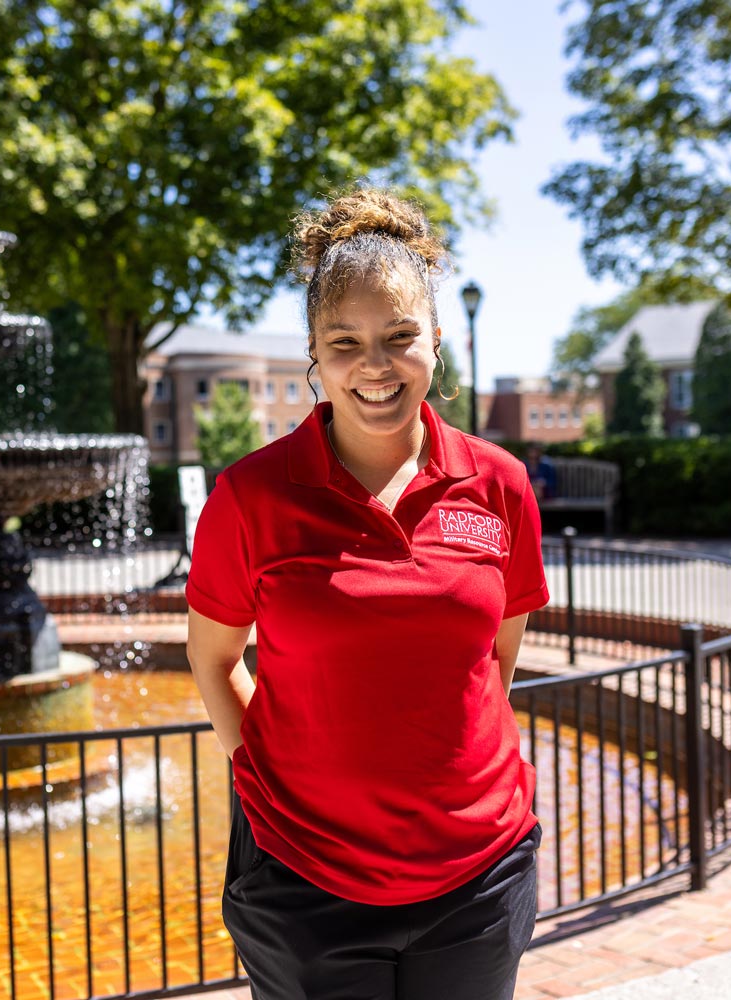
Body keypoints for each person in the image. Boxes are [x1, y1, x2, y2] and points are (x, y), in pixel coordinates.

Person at [185, 188, 548, 1000]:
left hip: (479, 877)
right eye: (344, 342)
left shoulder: (501, 486)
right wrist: (258, 771)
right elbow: (212, 657)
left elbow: (496, 661)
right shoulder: (252, 496)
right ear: (314, 351)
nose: (374, 366)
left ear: (436, 341)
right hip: (303, 883)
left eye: (399, 337)